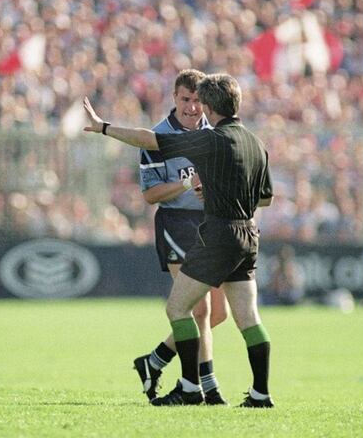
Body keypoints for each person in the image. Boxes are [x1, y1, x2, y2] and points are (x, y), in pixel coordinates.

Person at [83, 73, 275, 407]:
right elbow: (266, 199)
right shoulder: (255, 142)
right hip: (247, 234)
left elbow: (150, 140)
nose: (195, 107)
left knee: (179, 307)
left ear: (211, 107)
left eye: (201, 102)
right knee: (248, 317)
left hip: (216, 234)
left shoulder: (210, 139)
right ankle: (260, 394)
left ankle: (187, 386)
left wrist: (104, 127)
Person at [133, 69, 229, 405]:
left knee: (219, 314)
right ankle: (206, 386)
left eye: (198, 101)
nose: (192, 107)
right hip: (176, 224)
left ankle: (155, 360)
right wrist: (189, 185)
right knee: (198, 309)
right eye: (185, 100)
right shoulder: (158, 138)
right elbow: (151, 194)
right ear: (174, 99)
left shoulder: (215, 133)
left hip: (210, 224)